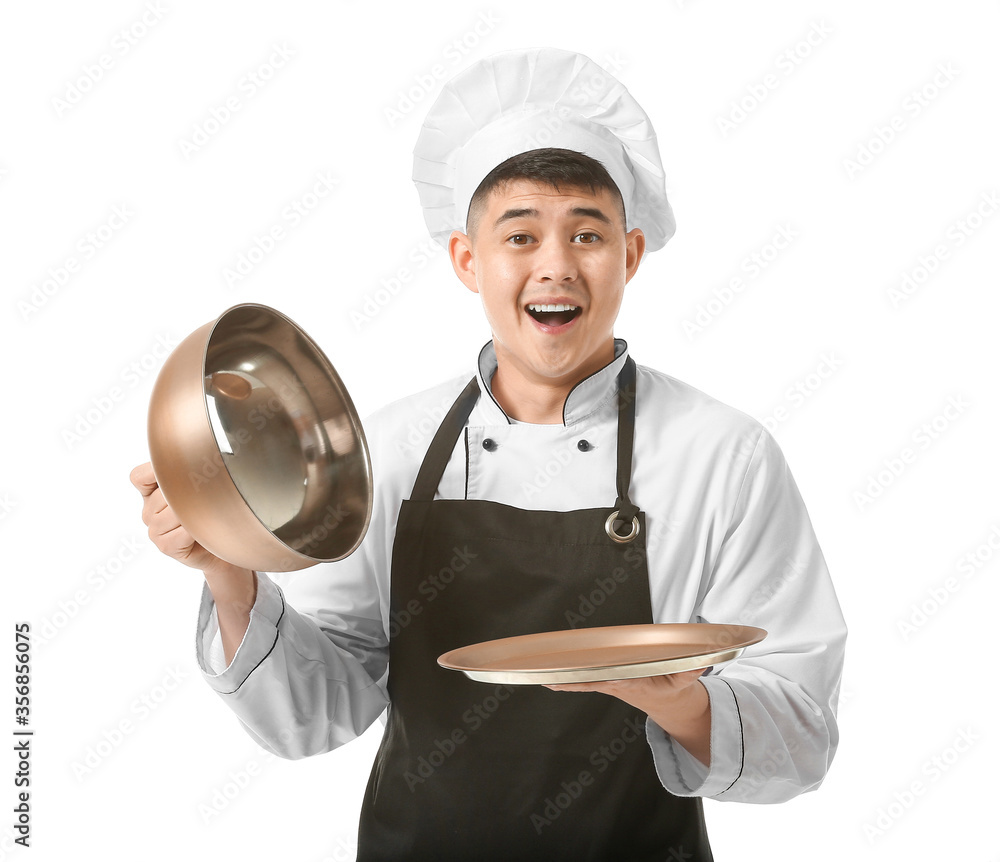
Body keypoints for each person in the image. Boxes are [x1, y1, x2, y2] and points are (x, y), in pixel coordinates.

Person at [131, 47, 847, 861]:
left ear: (630, 256)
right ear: (468, 260)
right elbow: (318, 715)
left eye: (588, 233)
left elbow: (804, 736)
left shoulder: (724, 455)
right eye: (520, 234)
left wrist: (683, 705)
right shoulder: (389, 451)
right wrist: (230, 572)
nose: (556, 265)